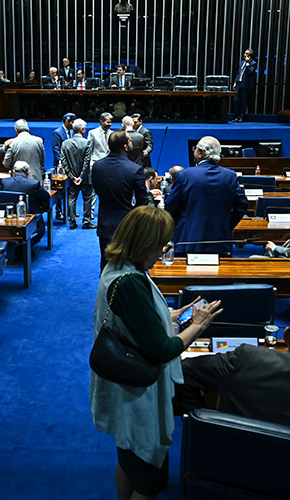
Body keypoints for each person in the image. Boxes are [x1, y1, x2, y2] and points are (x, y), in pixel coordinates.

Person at [90, 206, 223, 500]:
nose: (162, 251)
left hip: (123, 382)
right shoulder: (131, 283)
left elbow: (129, 319)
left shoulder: (119, 267)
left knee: (127, 458)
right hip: (138, 392)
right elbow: (164, 349)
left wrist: (166, 315)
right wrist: (198, 326)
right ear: (144, 245)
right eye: (160, 245)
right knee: (147, 473)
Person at [180, 309, 290, 445]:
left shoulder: (246, 358)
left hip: (232, 462)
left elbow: (183, 370)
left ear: (285, 335)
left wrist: (200, 421)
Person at [165, 136, 248, 255]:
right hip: (220, 239)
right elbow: (242, 205)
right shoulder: (230, 176)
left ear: (201, 153)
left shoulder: (185, 175)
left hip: (189, 239)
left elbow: (170, 206)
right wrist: (227, 224)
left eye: (196, 149)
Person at [91, 129, 150, 270]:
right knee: (128, 266)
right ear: (125, 147)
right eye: (130, 140)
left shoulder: (97, 166)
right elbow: (142, 201)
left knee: (106, 265)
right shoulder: (135, 169)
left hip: (105, 223)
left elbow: (97, 190)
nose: (131, 143)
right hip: (127, 226)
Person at [0, 160, 48, 244]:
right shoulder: (33, 184)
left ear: (14, 171)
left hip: (10, 216)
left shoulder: (5, 182)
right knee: (41, 230)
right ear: (28, 172)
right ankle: (25, 247)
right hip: (29, 216)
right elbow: (46, 196)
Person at [61, 118, 94, 229]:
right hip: (86, 177)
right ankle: (86, 221)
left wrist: (72, 177)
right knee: (87, 198)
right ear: (82, 129)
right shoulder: (87, 143)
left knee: (72, 198)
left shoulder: (65, 143)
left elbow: (64, 163)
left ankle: (72, 221)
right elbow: (86, 161)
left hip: (72, 178)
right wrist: (81, 176)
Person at [51, 113, 75, 220]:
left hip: (71, 165)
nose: (74, 124)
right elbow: (56, 150)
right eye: (72, 122)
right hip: (61, 166)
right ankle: (59, 212)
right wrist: (63, 164)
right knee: (60, 190)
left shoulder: (72, 132)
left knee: (71, 189)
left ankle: (70, 212)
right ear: (67, 121)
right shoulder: (57, 133)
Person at [231, 49, 257, 122]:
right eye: (245, 53)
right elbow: (238, 73)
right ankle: (237, 116)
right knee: (236, 100)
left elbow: (250, 72)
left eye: (246, 54)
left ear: (250, 55)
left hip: (246, 85)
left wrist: (247, 63)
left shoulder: (253, 63)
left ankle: (242, 117)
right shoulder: (242, 62)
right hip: (239, 83)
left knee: (244, 101)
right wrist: (235, 82)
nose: (244, 55)